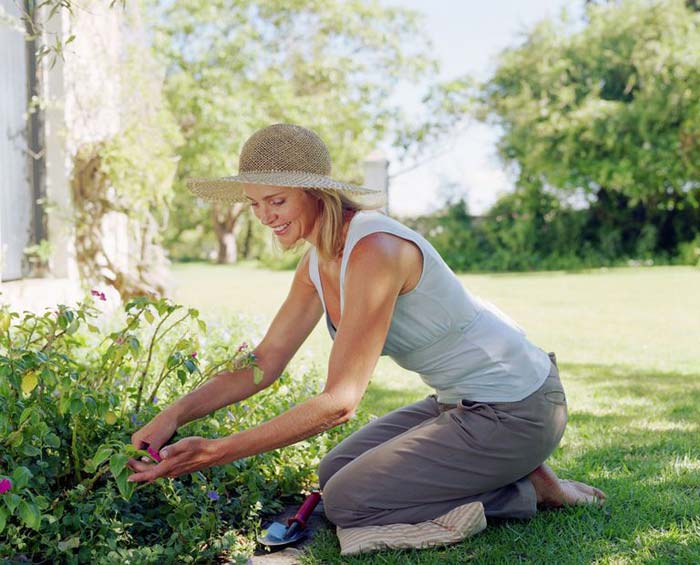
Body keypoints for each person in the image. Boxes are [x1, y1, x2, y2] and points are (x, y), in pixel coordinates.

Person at [127, 123, 605, 554]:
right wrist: (173, 415)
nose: (265, 217)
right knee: (332, 474)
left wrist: (218, 449)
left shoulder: (375, 248)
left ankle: (525, 488)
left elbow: (340, 402)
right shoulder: (316, 261)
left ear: (316, 193)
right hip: (460, 403)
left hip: (518, 407)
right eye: (255, 204)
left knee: (348, 501)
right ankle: (501, 467)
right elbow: (266, 359)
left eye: (277, 201)